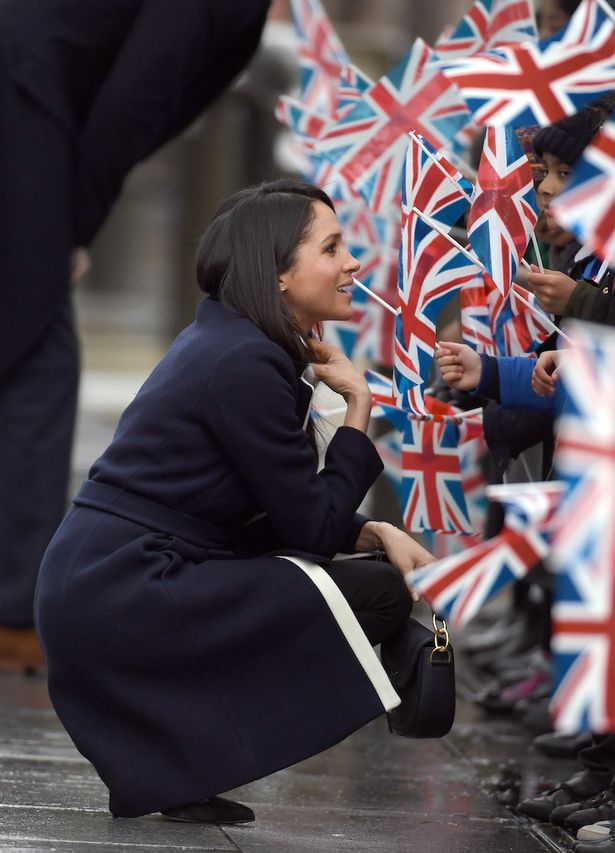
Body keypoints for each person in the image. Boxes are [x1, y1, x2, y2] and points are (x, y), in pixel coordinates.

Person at [34, 179, 434, 824]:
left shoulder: (239, 344)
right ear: (277, 272)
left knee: (365, 580)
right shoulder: (244, 359)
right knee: (378, 595)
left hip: (110, 580)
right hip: (125, 587)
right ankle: (188, 759)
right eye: (331, 247)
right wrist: (359, 409)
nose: (352, 263)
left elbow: (283, 510)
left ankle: (183, 766)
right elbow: (307, 527)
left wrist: (374, 531)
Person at [0, 0, 272, 671]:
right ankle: (11, 615)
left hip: (28, 85)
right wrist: (75, 227)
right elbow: (134, 100)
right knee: (38, 355)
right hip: (23, 93)